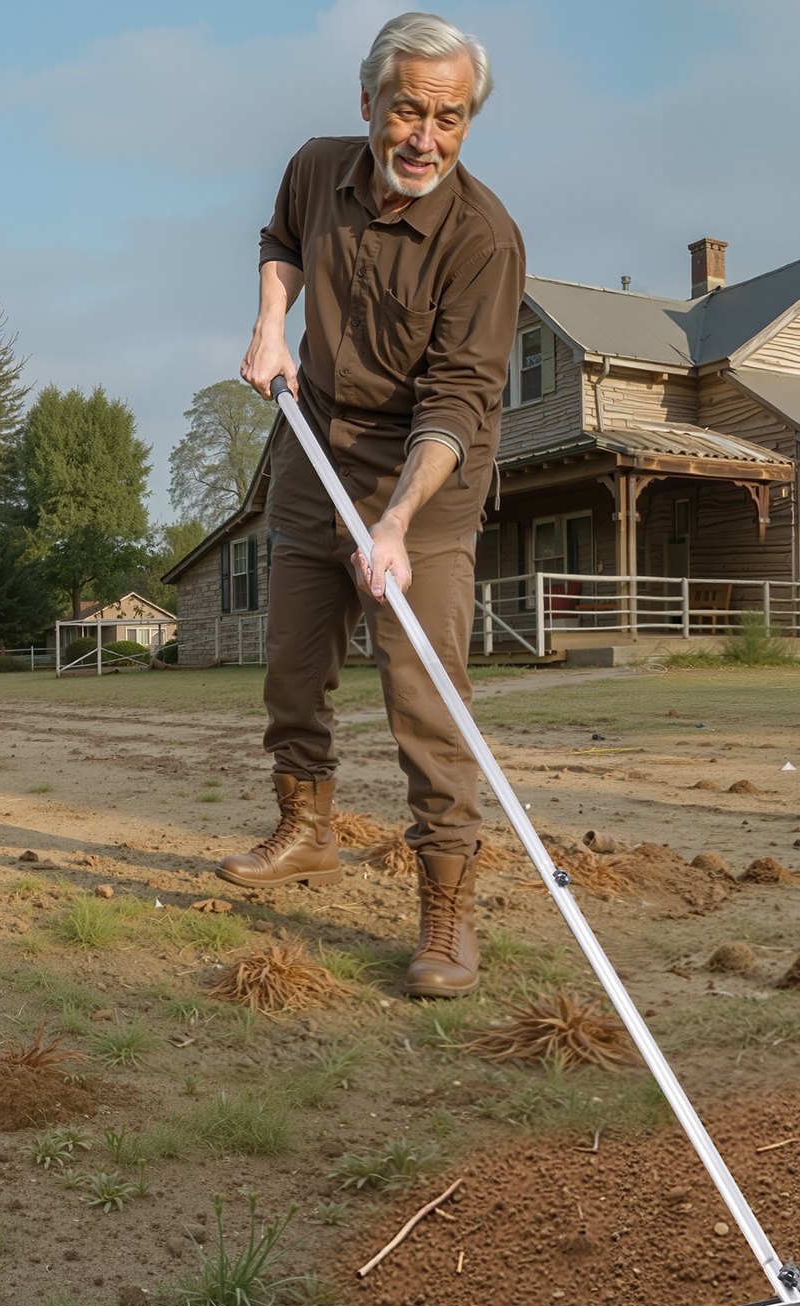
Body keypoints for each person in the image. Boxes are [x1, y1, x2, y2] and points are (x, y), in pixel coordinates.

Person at [220, 11, 524, 1000]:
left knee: (424, 699)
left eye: (449, 117)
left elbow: (459, 401)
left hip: (426, 483)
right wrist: (272, 324)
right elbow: (279, 241)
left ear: (467, 123)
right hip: (316, 452)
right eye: (407, 111)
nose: (424, 138)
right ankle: (306, 830)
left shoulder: (483, 239)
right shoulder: (316, 169)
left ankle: (447, 909)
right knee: (292, 665)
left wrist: (395, 523)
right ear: (368, 106)